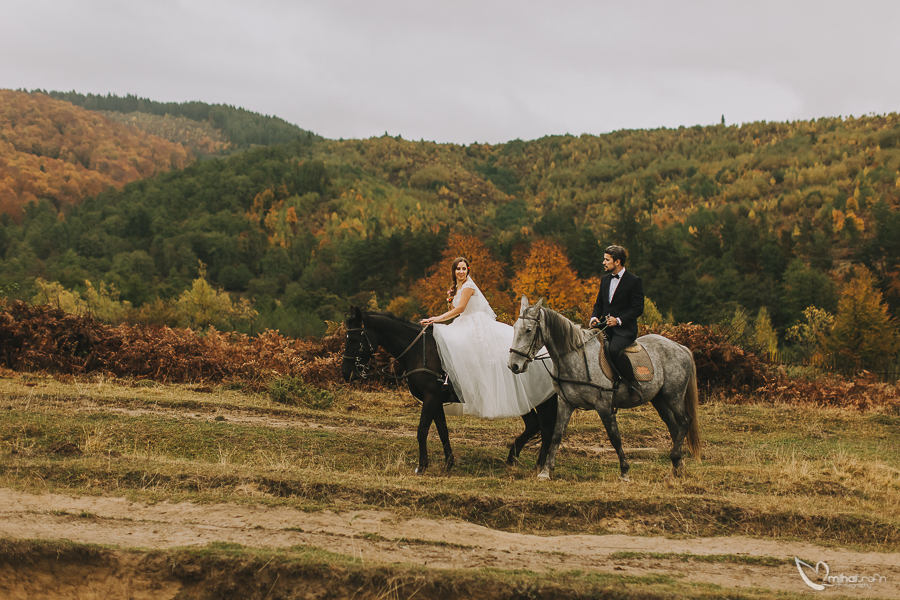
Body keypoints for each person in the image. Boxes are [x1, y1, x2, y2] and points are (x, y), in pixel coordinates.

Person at [420, 257, 555, 419]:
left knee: (474, 351)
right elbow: (453, 310)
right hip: (462, 321)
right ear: (454, 271)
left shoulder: (469, 286)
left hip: (475, 322)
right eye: (458, 269)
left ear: (468, 270)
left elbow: (460, 309)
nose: (461, 272)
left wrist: (435, 318)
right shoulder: (454, 288)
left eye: (464, 268)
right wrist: (449, 299)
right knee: (450, 343)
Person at [589, 245, 645, 402]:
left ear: (617, 261)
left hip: (624, 330)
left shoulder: (634, 281)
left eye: (607, 259)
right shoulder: (605, 279)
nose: (603, 262)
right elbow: (599, 304)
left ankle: (633, 384)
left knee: (614, 349)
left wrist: (618, 321)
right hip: (604, 327)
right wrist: (594, 317)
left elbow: (638, 309)